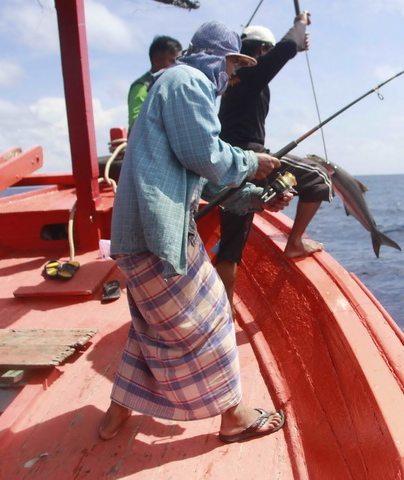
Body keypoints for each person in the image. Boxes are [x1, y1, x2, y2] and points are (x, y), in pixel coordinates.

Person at [99, 21, 289, 443]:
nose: (233, 77)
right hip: (157, 237)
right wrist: (252, 162)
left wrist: (256, 198)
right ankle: (234, 415)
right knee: (215, 314)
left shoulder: (173, 84)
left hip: (141, 236)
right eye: (233, 66)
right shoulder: (188, 82)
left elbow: (204, 181)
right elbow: (207, 156)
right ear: (218, 58)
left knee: (151, 328)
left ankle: (116, 415)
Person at [216, 11, 333, 303]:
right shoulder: (250, 73)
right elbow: (280, 54)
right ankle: (294, 243)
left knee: (231, 246)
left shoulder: (234, 79)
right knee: (318, 177)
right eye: (265, 52)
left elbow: (281, 52)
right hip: (251, 157)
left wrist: (295, 43)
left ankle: (223, 310)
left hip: (226, 163)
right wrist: (299, 27)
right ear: (259, 51)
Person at [127, 35, 182, 132]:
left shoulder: (176, 86)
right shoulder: (141, 87)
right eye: (172, 61)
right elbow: (136, 123)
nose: (177, 66)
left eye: (179, 61)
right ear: (156, 60)